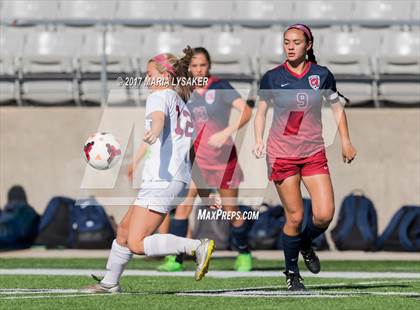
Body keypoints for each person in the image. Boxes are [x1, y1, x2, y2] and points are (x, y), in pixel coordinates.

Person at [83, 47, 215, 294]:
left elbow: (158, 119)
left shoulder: (159, 96)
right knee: (123, 230)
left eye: (150, 73)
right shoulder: (182, 103)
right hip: (170, 179)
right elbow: (192, 153)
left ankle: (196, 246)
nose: (146, 79)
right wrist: (205, 189)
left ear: (165, 76)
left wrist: (154, 129)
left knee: (136, 242)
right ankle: (110, 283)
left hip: (162, 180)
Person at [254, 24, 357, 291]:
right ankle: (291, 272)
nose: (290, 46)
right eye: (286, 41)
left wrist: (345, 141)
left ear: (308, 45)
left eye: (296, 42)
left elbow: (336, 108)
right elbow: (261, 111)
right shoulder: (272, 77)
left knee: (323, 215)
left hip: (312, 152)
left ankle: (304, 244)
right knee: (296, 217)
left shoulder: (322, 75)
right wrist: (257, 139)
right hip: (282, 154)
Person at [157, 47, 254, 272]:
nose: (198, 69)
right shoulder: (184, 90)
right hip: (195, 161)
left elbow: (247, 112)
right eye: (194, 66)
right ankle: (176, 259)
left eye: (202, 65)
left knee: (231, 211)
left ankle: (244, 253)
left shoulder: (221, 86)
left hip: (223, 159)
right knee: (183, 208)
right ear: (188, 68)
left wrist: (226, 132)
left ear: (209, 65)